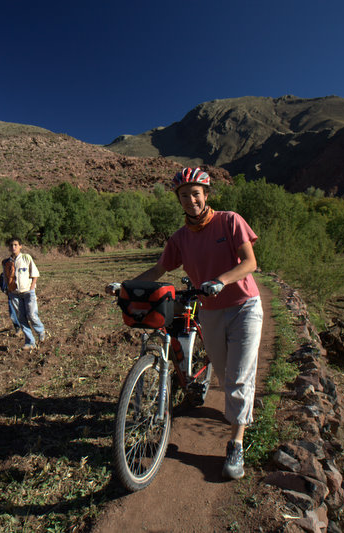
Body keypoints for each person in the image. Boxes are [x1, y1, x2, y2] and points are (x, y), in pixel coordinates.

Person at [108, 167, 263, 480]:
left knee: (238, 376)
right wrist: (125, 286)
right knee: (223, 373)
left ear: (206, 195)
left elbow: (250, 263)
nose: (191, 199)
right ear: (178, 199)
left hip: (244, 306)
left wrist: (221, 280)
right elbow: (159, 270)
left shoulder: (229, 221)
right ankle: (234, 411)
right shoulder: (179, 238)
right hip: (210, 310)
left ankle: (236, 444)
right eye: (184, 195)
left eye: (196, 193)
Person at [2, 237, 47, 350]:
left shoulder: (26, 258)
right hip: (14, 293)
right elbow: (5, 277)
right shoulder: (6, 262)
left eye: (16, 245)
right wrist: (8, 290)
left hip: (28, 292)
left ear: (20, 246)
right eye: (11, 245)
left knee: (32, 315)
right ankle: (30, 342)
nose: (13, 247)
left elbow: (34, 274)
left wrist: (32, 288)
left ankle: (41, 331)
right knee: (21, 318)